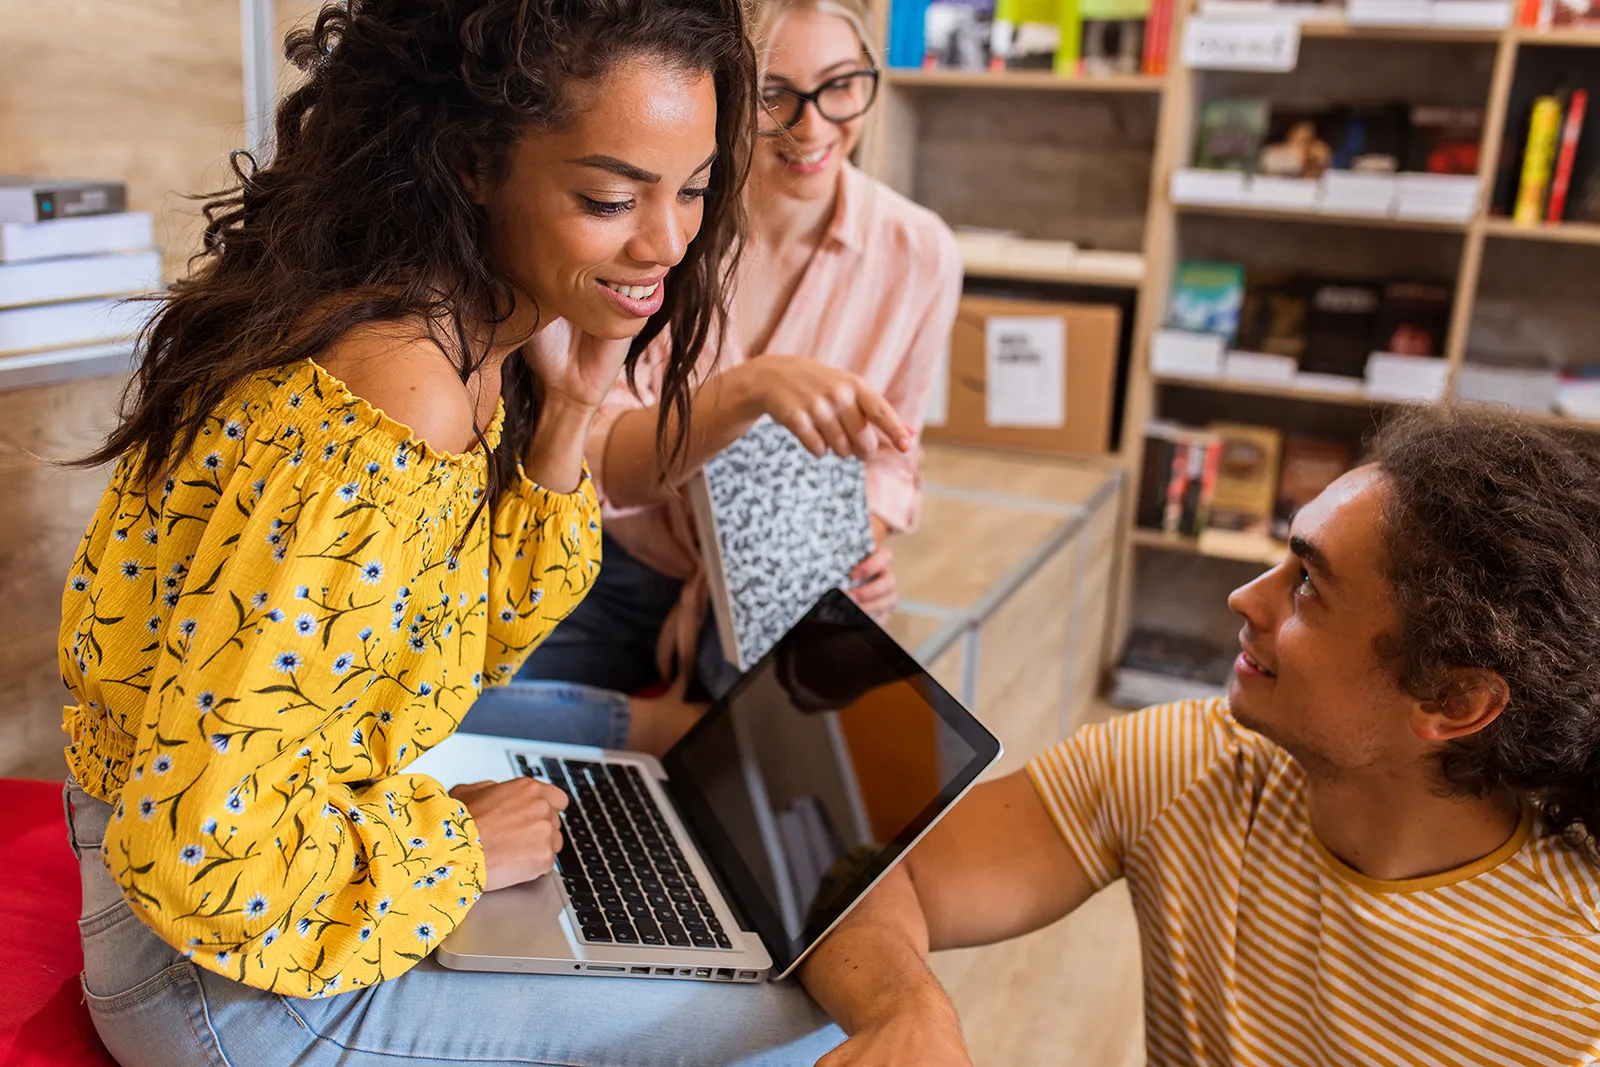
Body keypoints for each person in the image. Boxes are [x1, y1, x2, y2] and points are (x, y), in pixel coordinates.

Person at [58, 1, 841, 1063]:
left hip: (286, 879)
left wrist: (571, 404)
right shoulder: (400, 391)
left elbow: (469, 642)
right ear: (473, 162)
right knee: (805, 1022)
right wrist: (452, 846)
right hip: (217, 968)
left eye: (695, 188)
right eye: (610, 198)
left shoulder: (453, 320)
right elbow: (202, 850)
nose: (666, 241)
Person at [798, 407, 1600, 1066]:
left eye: (1308, 584)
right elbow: (869, 871)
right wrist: (907, 1009)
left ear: (1454, 700)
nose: (1245, 597)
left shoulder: (1571, 1006)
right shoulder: (1192, 761)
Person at [514, 0, 963, 706]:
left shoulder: (920, 251)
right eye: (775, 93)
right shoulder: (663, 231)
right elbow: (604, 464)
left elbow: (890, 457)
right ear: (724, 97)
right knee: (469, 716)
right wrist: (752, 388)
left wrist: (847, 552)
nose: (811, 127)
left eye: (842, 86)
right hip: (613, 561)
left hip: (774, 573)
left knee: (787, 750)